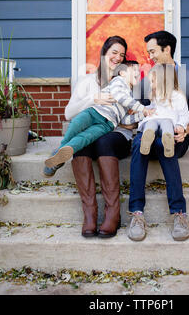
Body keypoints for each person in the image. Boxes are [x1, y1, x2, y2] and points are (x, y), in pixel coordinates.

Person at [43, 36, 137, 239]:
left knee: (103, 140)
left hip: (116, 135)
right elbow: (69, 113)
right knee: (82, 145)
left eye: (122, 54)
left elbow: (133, 120)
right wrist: (93, 100)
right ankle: (90, 214)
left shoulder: (129, 81)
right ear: (104, 53)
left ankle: (113, 214)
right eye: (114, 52)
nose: (117, 57)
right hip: (90, 133)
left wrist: (113, 118)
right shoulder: (86, 82)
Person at [128, 30, 189, 242]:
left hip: (176, 136)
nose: (150, 56)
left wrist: (184, 130)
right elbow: (136, 107)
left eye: (152, 51)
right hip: (149, 135)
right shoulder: (149, 78)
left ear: (167, 49)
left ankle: (179, 213)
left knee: (164, 143)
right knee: (138, 143)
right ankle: (136, 213)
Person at [44, 61, 153, 169]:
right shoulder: (118, 82)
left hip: (108, 124)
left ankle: (64, 153)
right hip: (95, 112)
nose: (138, 73)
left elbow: (124, 120)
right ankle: (60, 151)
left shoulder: (131, 98)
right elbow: (120, 97)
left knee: (87, 137)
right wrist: (142, 109)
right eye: (134, 70)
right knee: (76, 123)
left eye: (139, 72)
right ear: (122, 72)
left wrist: (142, 115)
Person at [139, 63, 189, 158]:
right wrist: (145, 110)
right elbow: (153, 106)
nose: (150, 85)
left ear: (163, 81)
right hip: (155, 119)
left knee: (167, 124)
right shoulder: (155, 95)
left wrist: (181, 125)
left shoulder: (177, 96)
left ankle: (168, 143)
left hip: (168, 122)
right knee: (150, 123)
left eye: (152, 81)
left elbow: (185, 114)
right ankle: (147, 139)